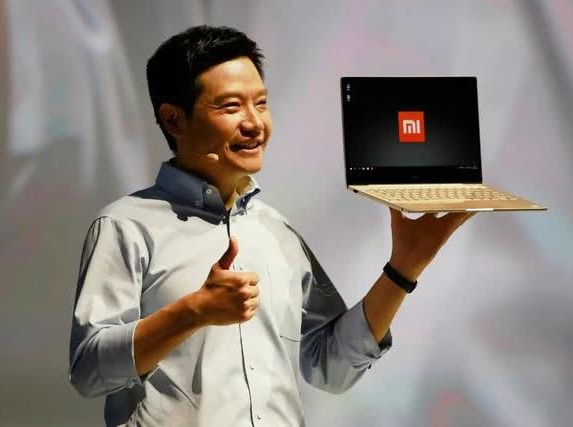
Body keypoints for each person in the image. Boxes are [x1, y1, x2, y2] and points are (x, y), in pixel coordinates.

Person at [68, 25, 475, 427]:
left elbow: (331, 367)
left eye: (261, 104)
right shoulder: (125, 226)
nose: (254, 123)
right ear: (174, 120)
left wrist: (403, 268)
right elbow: (88, 370)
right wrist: (193, 311)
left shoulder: (277, 232)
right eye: (231, 107)